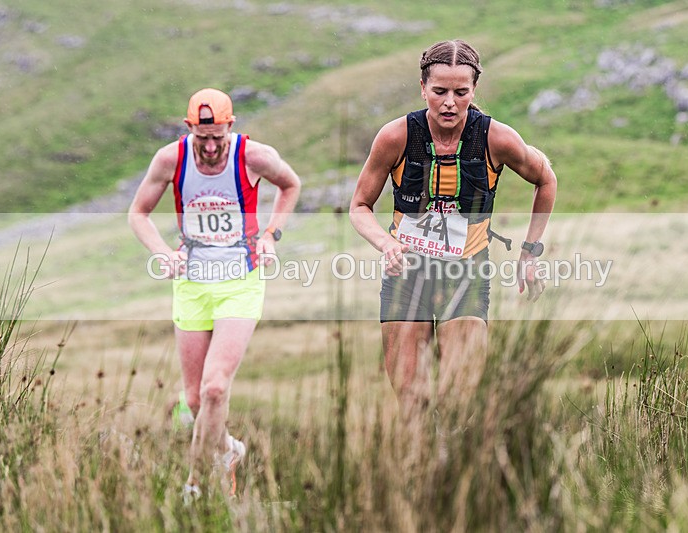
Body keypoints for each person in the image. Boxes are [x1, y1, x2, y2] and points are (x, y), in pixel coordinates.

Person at [349, 40, 557, 431]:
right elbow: (359, 206)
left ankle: (458, 481)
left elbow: (545, 179)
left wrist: (529, 254)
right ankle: (418, 483)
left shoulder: (496, 139)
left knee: (459, 399)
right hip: (406, 277)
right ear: (423, 88)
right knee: (412, 403)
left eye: (460, 93)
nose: (449, 102)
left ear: (474, 90)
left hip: (465, 276)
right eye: (440, 91)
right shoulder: (395, 137)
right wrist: (386, 242)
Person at [128, 88, 301, 498]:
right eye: (202, 137)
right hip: (191, 284)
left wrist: (272, 236)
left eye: (218, 137)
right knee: (193, 399)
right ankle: (228, 449)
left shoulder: (253, 156)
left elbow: (290, 185)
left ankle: (194, 485)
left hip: (240, 281)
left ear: (231, 126)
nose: (209, 147)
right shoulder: (170, 159)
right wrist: (163, 253)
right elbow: (138, 213)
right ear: (189, 128)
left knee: (215, 388)